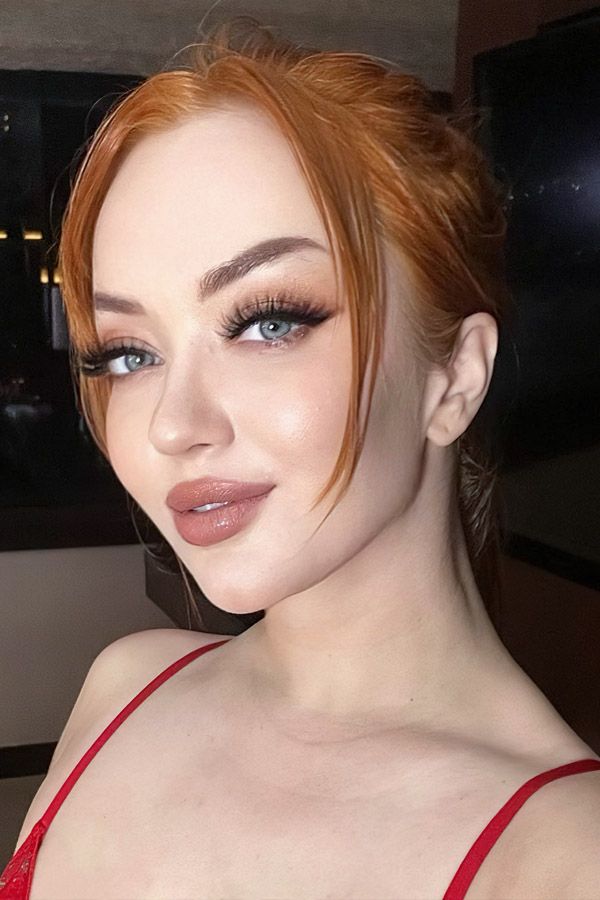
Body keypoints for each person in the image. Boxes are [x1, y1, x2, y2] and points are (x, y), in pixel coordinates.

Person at [2, 16, 599, 900]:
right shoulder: (124, 687)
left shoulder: (566, 858)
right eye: (128, 354)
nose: (172, 426)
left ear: (454, 378)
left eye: (269, 322)